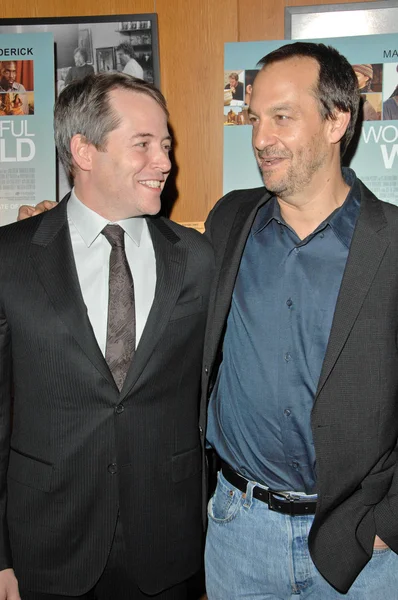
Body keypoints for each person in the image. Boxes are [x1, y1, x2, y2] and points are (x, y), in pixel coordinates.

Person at [0, 72, 213, 599]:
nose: (164, 162)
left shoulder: (198, 258)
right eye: (143, 145)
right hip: (45, 543)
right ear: (84, 151)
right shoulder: (10, 258)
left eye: (165, 145)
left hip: (167, 546)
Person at [202, 42, 398, 599]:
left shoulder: (393, 244)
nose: (261, 138)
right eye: (254, 119)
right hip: (237, 533)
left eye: (282, 117)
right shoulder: (228, 220)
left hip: (364, 550)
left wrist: (389, 525)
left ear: (337, 120)